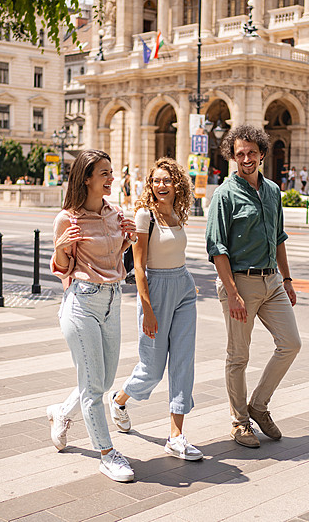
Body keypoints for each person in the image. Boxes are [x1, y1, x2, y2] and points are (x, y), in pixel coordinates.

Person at [206, 124, 302, 448]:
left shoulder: (273, 191)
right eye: (239, 154)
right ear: (232, 157)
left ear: (261, 153)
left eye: (251, 153)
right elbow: (217, 248)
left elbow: (279, 239)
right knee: (239, 356)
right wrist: (232, 293)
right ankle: (239, 422)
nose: (246, 158)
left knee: (291, 343)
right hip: (241, 284)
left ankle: (258, 406)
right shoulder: (224, 194)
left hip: (272, 280)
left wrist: (287, 280)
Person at [46, 149, 137, 483]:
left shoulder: (116, 214)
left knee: (102, 381)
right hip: (81, 304)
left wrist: (127, 239)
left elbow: (114, 263)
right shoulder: (67, 219)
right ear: (86, 178)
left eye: (111, 172)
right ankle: (107, 453)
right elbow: (63, 268)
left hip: (113, 301)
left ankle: (60, 412)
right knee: (93, 386)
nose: (111, 178)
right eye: (104, 173)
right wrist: (60, 245)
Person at [108, 157, 202, 461]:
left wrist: (186, 283)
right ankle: (119, 400)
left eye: (167, 180)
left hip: (183, 288)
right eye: (156, 180)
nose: (161, 185)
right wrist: (146, 308)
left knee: (183, 363)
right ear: (150, 185)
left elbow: (177, 252)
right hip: (156, 290)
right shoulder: (144, 216)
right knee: (151, 368)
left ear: (177, 184)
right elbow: (138, 266)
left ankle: (176, 436)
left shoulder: (177, 213)